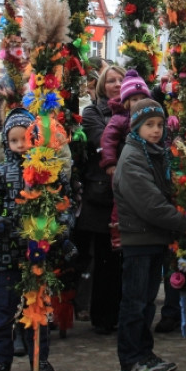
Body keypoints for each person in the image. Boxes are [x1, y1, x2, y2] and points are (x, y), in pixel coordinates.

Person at [0, 109, 73, 371]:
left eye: (26, 139)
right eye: (14, 141)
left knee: (39, 310)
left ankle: (40, 357)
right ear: (6, 143)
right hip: (7, 253)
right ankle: (1, 360)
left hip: (39, 255)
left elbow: (65, 205)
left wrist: (59, 227)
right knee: (4, 313)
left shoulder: (50, 171)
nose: (21, 146)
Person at [113, 99, 186, 371]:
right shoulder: (132, 157)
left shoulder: (154, 152)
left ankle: (144, 352)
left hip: (153, 238)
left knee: (148, 301)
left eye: (160, 125)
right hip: (139, 238)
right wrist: (182, 223)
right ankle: (130, 359)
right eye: (149, 125)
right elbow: (149, 203)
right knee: (135, 301)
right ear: (137, 127)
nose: (155, 130)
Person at [76, 64, 125, 334]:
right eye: (111, 81)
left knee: (117, 258)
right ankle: (100, 315)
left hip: (126, 193)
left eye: (121, 80)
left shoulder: (133, 109)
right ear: (101, 86)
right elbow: (102, 139)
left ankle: (115, 312)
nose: (116, 85)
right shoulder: (93, 112)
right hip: (100, 192)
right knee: (100, 257)